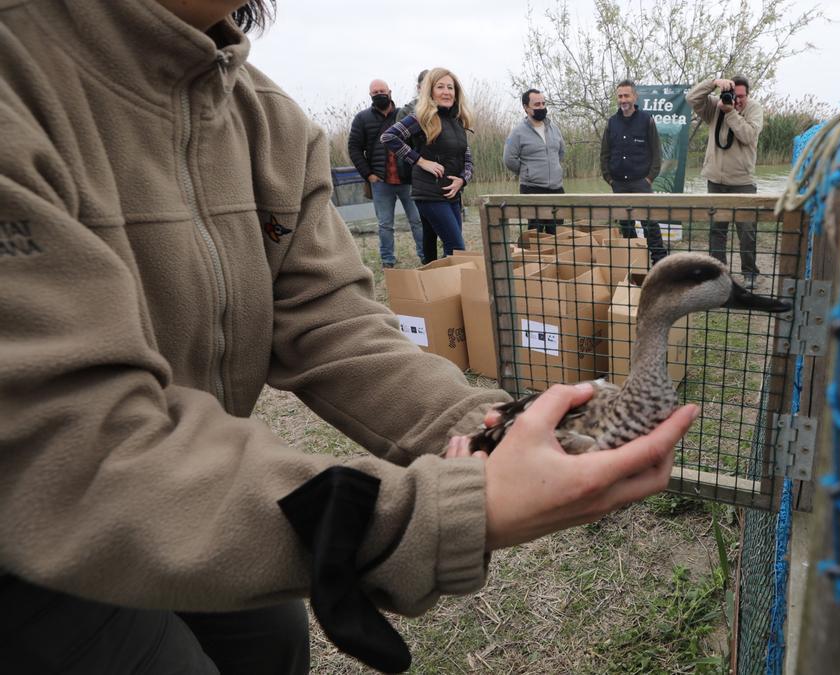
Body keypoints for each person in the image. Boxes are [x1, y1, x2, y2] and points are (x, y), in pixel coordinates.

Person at [0, 2, 698, 673]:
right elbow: (72, 446)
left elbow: (336, 325)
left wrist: (490, 431)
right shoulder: (20, 87)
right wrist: (449, 511)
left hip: (191, 499)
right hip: (28, 543)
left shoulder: (268, 124)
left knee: (273, 638)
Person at [381, 68, 473, 262]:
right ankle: (450, 288)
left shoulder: (457, 120)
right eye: (440, 87)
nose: (446, 92)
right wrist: (420, 161)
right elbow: (389, 137)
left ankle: (441, 288)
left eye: (450, 87)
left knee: (451, 251)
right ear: (430, 90)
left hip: (452, 194)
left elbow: (467, 156)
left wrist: (462, 180)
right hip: (430, 194)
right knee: (458, 248)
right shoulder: (421, 117)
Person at [687, 75, 764, 288]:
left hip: (743, 182)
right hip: (716, 180)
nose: (736, 100)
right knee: (717, 229)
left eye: (741, 96)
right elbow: (691, 98)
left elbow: (748, 135)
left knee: (747, 230)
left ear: (748, 95)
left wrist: (730, 112)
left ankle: (750, 273)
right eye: (733, 95)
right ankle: (717, 275)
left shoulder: (754, 109)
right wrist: (713, 82)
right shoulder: (715, 105)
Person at [348, 78, 424, 267]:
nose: (379, 95)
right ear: (370, 96)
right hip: (381, 180)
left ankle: (425, 255)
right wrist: (368, 174)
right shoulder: (362, 118)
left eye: (382, 91)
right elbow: (354, 148)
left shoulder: (404, 114)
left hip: (406, 179)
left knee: (418, 221)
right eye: (375, 93)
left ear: (389, 92)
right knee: (385, 224)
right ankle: (387, 260)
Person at [600, 79, 668, 264]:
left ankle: (659, 262)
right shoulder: (611, 123)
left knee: (650, 224)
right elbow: (604, 153)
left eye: (626, 95)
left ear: (634, 97)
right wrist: (609, 178)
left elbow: (656, 152)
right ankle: (634, 262)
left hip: (641, 182)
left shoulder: (646, 120)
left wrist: (649, 178)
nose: (623, 100)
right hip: (618, 184)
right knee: (626, 225)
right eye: (620, 96)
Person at [503, 88, 566, 234]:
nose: (541, 107)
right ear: (526, 107)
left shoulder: (554, 128)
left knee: (557, 232)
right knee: (535, 232)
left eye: (543, 103)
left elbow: (561, 152)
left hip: (557, 189)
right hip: (532, 188)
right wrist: (527, 171)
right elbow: (509, 159)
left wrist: (553, 168)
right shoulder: (518, 132)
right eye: (537, 104)